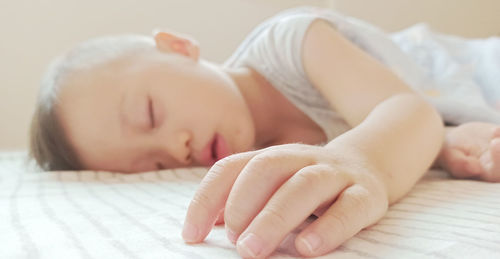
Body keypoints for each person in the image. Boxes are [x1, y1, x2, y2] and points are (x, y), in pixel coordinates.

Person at [29, 6, 500, 258]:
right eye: (155, 164)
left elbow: (404, 110)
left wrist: (361, 163)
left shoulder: (289, 43)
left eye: (151, 114)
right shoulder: (260, 158)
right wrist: (440, 146)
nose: (177, 148)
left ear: (177, 48)